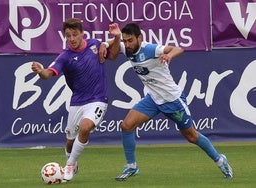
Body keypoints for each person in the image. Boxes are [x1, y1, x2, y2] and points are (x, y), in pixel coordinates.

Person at [100, 23, 233, 181]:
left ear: (139, 38)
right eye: (125, 40)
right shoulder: (127, 48)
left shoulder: (150, 49)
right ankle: (131, 166)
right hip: (153, 99)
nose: (127, 44)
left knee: (191, 136)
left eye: (130, 40)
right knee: (126, 126)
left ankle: (220, 160)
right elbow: (113, 53)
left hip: (172, 100)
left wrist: (169, 55)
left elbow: (178, 48)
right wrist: (109, 40)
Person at [31, 18, 121, 182]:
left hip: (98, 99)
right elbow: (48, 74)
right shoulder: (64, 57)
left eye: (74, 34)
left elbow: (114, 55)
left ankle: (70, 165)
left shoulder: (95, 45)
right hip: (77, 102)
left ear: (82, 34)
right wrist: (40, 71)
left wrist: (115, 38)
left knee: (85, 128)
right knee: (70, 142)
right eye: (68, 35)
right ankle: (71, 161)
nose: (71, 38)